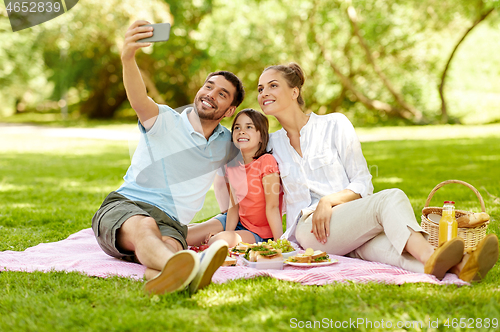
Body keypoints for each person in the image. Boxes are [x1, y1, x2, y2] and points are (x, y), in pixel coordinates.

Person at [256, 62, 499, 281]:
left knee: (392, 250)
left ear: (294, 91)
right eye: (260, 89)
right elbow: (233, 150)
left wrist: (328, 201)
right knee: (391, 197)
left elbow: (362, 181)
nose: (263, 93)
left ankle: (462, 268)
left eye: (272, 85)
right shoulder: (270, 144)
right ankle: (432, 254)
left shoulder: (334, 124)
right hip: (311, 231)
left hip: (351, 228)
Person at [91, 20, 245, 295]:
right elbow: (139, 98)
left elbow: (246, 165)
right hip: (126, 207)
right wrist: (128, 57)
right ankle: (193, 269)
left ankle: (169, 278)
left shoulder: (226, 143)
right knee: (145, 226)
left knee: (172, 247)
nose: (210, 95)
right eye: (208, 86)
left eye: (221, 94)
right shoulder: (164, 119)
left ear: (229, 110)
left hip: (172, 223)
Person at [187, 109, 283, 247]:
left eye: (249, 127)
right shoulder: (232, 165)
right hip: (235, 221)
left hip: (258, 233)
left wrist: (279, 243)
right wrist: (227, 232)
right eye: (237, 127)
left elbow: (273, 207)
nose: (241, 131)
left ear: (261, 136)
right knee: (185, 234)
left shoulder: (266, 162)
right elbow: (234, 206)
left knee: (216, 241)